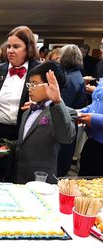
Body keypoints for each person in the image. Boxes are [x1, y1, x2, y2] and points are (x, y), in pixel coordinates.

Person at [0, 62, 77, 184]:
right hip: (19, 177)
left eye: (34, 84)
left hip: (41, 180)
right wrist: (10, 147)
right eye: (29, 84)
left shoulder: (65, 112)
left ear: (50, 85)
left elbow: (66, 137)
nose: (30, 88)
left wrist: (57, 102)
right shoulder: (28, 111)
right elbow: (26, 141)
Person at [0, 25, 40, 182]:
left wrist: (37, 106)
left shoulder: (39, 71)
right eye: (8, 46)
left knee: (17, 174)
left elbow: (48, 103)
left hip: (23, 132)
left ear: (28, 49)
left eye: (16, 46)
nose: (10, 50)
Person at [58, 44, 87, 176]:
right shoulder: (76, 75)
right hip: (70, 122)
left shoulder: (70, 79)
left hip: (65, 124)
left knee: (60, 164)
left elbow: (62, 107)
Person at [77, 78, 103, 177]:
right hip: (92, 141)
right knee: (83, 181)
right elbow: (95, 105)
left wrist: (93, 118)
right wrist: (77, 113)